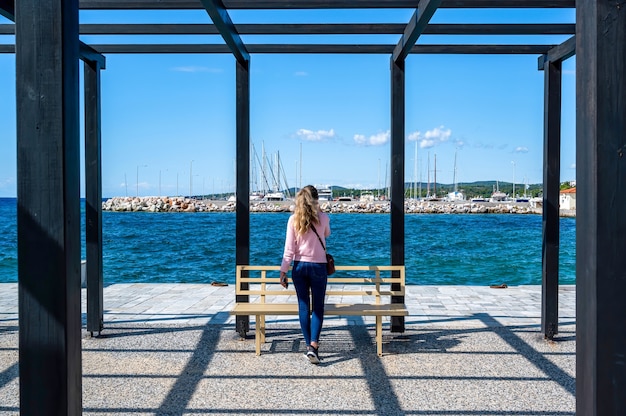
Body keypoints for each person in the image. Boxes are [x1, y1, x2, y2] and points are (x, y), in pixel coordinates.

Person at [280, 185, 330, 364]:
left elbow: (289, 249)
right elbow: (327, 233)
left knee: (303, 306)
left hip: (299, 267)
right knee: (317, 307)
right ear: (316, 200)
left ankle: (309, 346)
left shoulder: (294, 219)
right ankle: (314, 346)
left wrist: (283, 270)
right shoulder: (323, 217)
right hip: (318, 266)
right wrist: (320, 213)